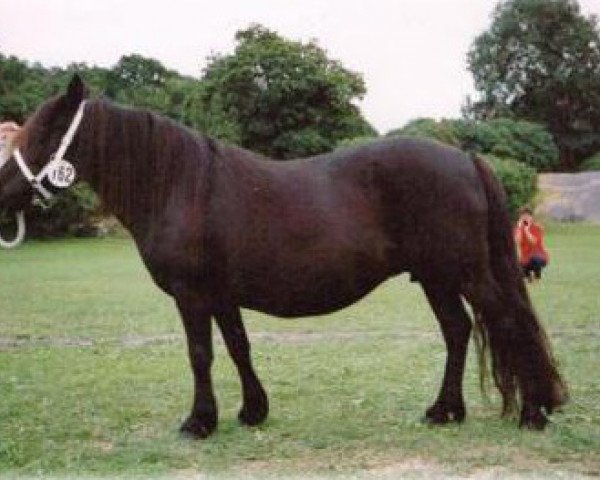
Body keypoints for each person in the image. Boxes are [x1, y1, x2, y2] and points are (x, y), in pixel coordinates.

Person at [514, 207, 548, 282]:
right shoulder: (518, 229)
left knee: (536, 260)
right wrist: (520, 228)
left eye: (527, 216)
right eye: (523, 216)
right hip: (525, 258)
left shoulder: (537, 228)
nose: (525, 218)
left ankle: (537, 277)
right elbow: (517, 241)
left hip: (539, 256)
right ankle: (529, 278)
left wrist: (526, 230)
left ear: (531, 217)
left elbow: (533, 242)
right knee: (516, 269)